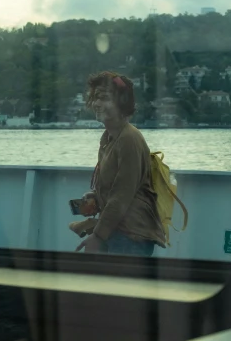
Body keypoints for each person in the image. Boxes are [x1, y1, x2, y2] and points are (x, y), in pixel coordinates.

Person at [69, 71, 166, 256]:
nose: (97, 104)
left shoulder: (129, 139)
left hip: (131, 236)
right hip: (115, 231)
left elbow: (121, 197)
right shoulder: (108, 138)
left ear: (122, 102)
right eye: (95, 98)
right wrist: (96, 196)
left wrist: (97, 237)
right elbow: (116, 189)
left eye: (104, 98)